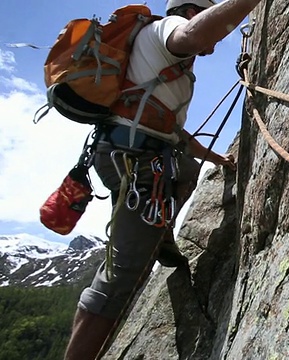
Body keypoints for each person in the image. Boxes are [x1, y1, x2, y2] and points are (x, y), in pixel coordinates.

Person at [64, 0, 262, 359]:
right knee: (122, 276)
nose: (216, 45)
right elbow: (193, 33)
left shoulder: (171, 64)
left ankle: (161, 234)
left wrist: (216, 159)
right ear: (191, 11)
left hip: (136, 155)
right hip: (136, 162)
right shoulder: (166, 29)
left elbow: (175, 133)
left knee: (186, 168)